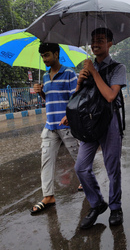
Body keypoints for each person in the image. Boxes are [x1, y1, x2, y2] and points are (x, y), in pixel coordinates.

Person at [73, 28, 127, 229]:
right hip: (90, 123)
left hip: (110, 121)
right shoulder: (87, 68)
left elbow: (110, 96)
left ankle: (115, 207)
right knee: (81, 167)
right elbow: (81, 98)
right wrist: (80, 81)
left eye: (101, 40)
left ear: (110, 43)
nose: (96, 44)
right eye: (93, 40)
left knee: (112, 168)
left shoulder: (117, 68)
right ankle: (97, 203)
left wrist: (94, 73)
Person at [30, 43, 81, 214]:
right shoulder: (44, 77)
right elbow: (49, 99)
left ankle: (88, 183)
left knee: (79, 157)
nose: (44, 59)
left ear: (56, 54)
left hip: (67, 125)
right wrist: (40, 92)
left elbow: (75, 97)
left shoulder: (68, 73)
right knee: (46, 161)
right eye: (42, 56)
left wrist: (69, 115)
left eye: (47, 55)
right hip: (50, 125)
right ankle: (48, 196)